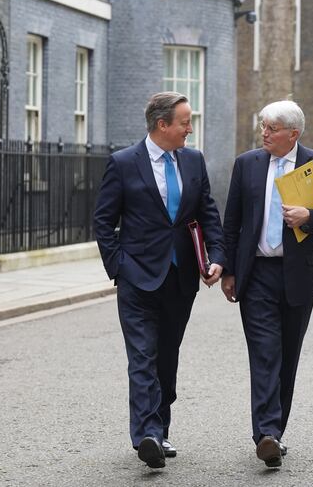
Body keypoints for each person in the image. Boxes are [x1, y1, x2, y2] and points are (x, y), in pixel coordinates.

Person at [94, 91, 225, 469]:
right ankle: (146, 434)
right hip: (137, 278)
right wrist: (118, 266)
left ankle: (160, 429)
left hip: (181, 277)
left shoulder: (194, 160)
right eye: (184, 122)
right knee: (142, 357)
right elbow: (104, 221)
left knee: (166, 360)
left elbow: (208, 213)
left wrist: (216, 257)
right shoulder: (122, 163)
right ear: (162, 124)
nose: (190, 128)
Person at [221, 100, 313, 468]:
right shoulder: (247, 164)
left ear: (294, 133)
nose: (265, 134)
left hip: (298, 275)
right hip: (256, 274)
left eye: (271, 128)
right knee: (264, 355)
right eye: (263, 127)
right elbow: (232, 222)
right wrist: (227, 269)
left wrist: (309, 216)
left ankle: (276, 431)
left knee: (287, 357)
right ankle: (266, 434)